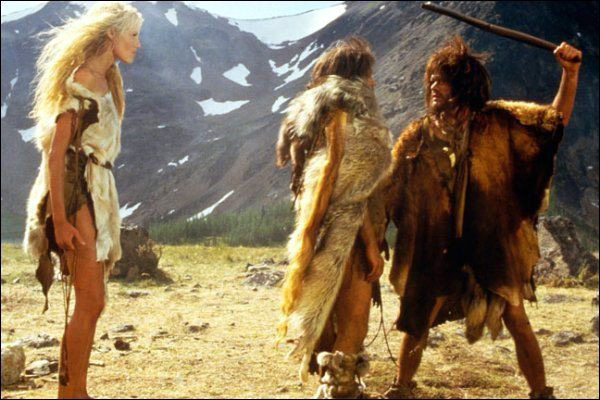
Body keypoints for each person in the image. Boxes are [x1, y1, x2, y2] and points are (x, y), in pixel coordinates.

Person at [385, 36, 581, 399]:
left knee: (516, 318)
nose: (433, 86)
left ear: (463, 84)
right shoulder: (418, 136)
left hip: (492, 243)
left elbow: (553, 122)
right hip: (438, 249)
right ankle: (401, 389)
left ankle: (542, 394)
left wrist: (569, 75)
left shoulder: (498, 122)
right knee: (418, 318)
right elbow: (390, 189)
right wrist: (372, 242)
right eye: (431, 79)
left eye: (443, 80)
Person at [23, 2, 143, 398]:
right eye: (133, 35)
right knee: (89, 300)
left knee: (94, 302)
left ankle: (76, 391)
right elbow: (55, 154)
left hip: (97, 193)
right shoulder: (82, 81)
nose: (138, 44)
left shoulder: (109, 79)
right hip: (78, 194)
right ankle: (70, 394)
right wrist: (60, 220)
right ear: (111, 34)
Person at [275, 37, 392, 398]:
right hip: (348, 238)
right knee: (353, 325)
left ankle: (340, 386)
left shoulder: (314, 113)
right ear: (355, 76)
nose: (373, 82)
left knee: (331, 320)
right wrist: (370, 245)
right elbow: (351, 196)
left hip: (318, 234)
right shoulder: (351, 115)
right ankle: (337, 390)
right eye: (368, 74)